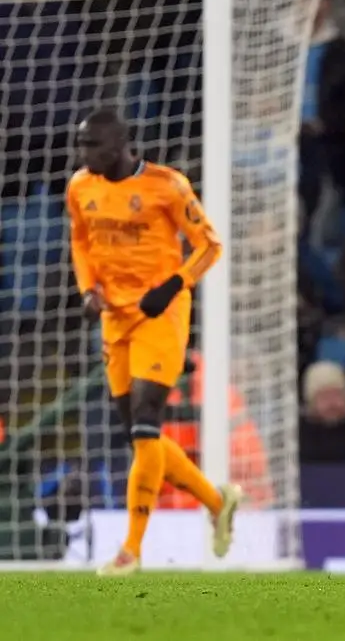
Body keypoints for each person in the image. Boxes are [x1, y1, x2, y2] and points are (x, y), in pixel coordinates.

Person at [66, 109, 242, 577]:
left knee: (145, 428)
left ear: (122, 146)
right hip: (115, 319)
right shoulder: (80, 186)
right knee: (140, 438)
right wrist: (88, 289)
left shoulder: (168, 185)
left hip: (161, 315)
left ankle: (130, 550)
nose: (83, 155)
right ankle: (216, 500)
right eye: (81, 145)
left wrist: (173, 285)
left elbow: (209, 245)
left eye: (92, 146)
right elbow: (80, 241)